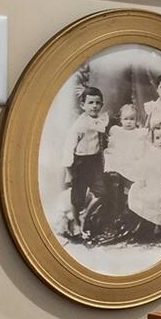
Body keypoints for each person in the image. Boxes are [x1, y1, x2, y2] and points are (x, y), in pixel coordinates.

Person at [64, 85, 107, 239]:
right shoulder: (80, 125)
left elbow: (103, 133)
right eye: (90, 103)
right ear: (83, 105)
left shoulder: (101, 121)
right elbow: (69, 147)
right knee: (77, 196)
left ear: (101, 105)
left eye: (97, 103)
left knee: (101, 193)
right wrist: (69, 170)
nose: (94, 106)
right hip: (80, 162)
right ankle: (76, 222)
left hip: (95, 161)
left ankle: (85, 217)